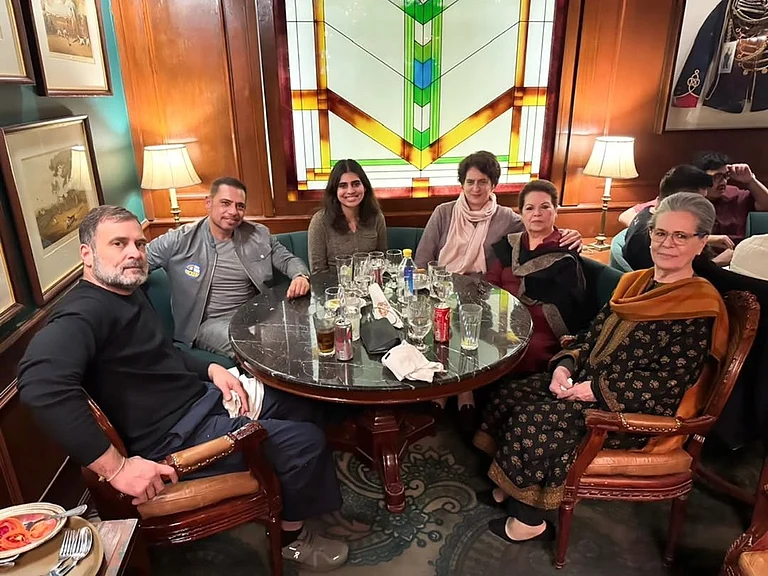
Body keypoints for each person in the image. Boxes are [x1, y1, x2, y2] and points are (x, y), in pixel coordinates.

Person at [17, 206, 349, 571]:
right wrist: (117, 469)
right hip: (175, 439)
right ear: (87, 254)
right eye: (119, 243)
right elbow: (40, 384)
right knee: (305, 442)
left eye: (140, 244)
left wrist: (212, 369)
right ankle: (292, 539)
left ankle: (303, 502)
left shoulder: (127, 293)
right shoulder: (84, 312)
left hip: (201, 403)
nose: (134, 253)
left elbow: (165, 352)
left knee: (302, 402)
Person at [473, 192, 729, 544]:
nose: (666, 243)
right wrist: (564, 368)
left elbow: (668, 383)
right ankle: (511, 484)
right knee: (508, 393)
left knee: (534, 419)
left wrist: (592, 390)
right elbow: (590, 335)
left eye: (680, 236)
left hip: (630, 409)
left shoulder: (698, 305)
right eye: (659, 233)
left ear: (701, 244)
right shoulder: (635, 284)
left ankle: (530, 518)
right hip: (585, 381)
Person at [146, 177, 310, 358]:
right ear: (208, 203)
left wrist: (300, 276)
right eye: (225, 203)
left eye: (240, 206)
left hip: (254, 315)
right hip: (207, 324)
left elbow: (287, 260)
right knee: (251, 346)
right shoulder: (179, 240)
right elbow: (139, 262)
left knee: (300, 334)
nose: (233, 211)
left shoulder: (258, 235)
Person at [414, 151, 581, 273]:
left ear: (493, 185)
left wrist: (567, 235)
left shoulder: (507, 217)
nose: (476, 188)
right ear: (462, 185)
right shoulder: (443, 212)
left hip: (484, 292)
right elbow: (422, 259)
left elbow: (538, 227)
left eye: (483, 182)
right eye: (470, 182)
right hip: (440, 286)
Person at [486, 179, 588, 374]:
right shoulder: (510, 245)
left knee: (519, 349)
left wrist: (515, 324)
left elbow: (563, 306)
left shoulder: (565, 256)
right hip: (499, 317)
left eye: (545, 207)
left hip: (539, 330)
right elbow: (491, 282)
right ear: (521, 214)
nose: (537, 213)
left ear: (556, 211)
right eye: (530, 208)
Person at [623, 165, 735, 269]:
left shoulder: (646, 214)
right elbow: (678, 277)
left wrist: (708, 240)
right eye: (698, 201)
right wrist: (717, 262)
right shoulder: (652, 238)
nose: (702, 206)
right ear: (678, 200)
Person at [308, 159, 387, 272]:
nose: (350, 191)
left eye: (356, 184)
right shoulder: (320, 221)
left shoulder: (377, 217)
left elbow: (381, 259)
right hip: (333, 287)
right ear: (335, 190)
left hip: (370, 285)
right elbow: (317, 271)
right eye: (343, 186)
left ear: (364, 187)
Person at [692, 151, 768, 245]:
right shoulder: (690, 201)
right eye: (717, 177)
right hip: (704, 254)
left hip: (740, 251)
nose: (723, 182)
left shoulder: (734, 194)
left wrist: (751, 180)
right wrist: (710, 239)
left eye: (725, 176)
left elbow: (766, 205)